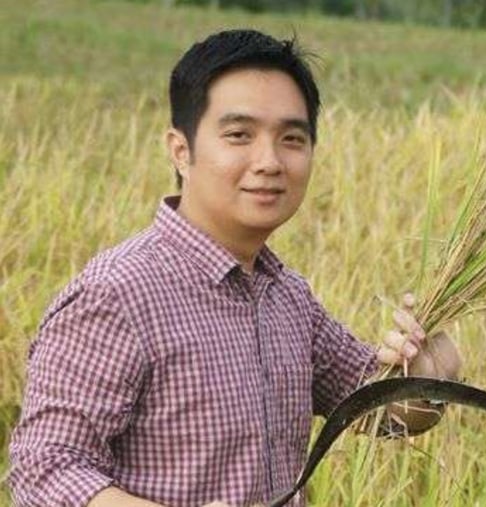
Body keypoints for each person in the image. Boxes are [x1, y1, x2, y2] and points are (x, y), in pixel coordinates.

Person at [8, 30, 460, 507]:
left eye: (291, 138)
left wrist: (431, 378)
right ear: (181, 151)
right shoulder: (118, 295)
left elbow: (375, 411)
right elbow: (44, 471)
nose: (268, 162)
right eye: (239, 135)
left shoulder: (286, 295)